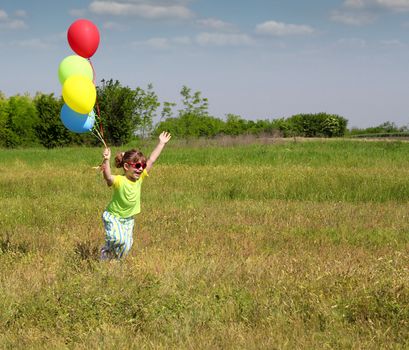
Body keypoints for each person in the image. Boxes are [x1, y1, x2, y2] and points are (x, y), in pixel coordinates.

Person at [100, 131, 171, 260]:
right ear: (126, 166)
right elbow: (108, 177)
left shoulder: (140, 178)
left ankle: (115, 263)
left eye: (142, 166)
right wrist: (106, 159)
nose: (140, 168)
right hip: (114, 216)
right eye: (137, 165)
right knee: (118, 238)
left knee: (126, 246)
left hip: (128, 219)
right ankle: (106, 251)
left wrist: (161, 143)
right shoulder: (119, 180)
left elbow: (152, 159)